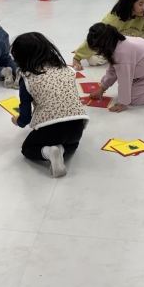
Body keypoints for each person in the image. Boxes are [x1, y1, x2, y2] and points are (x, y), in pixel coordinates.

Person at [10, 32, 89, 178]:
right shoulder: (67, 70)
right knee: (73, 144)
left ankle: (48, 153)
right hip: (76, 125)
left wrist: (17, 121)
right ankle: (61, 150)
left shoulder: (27, 78)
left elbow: (25, 119)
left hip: (50, 128)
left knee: (27, 149)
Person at [86, 23, 144, 113]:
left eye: (99, 51)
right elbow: (113, 69)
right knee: (133, 87)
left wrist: (123, 103)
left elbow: (124, 80)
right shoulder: (117, 42)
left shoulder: (122, 54)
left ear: (105, 45)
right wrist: (102, 87)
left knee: (132, 97)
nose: (99, 54)